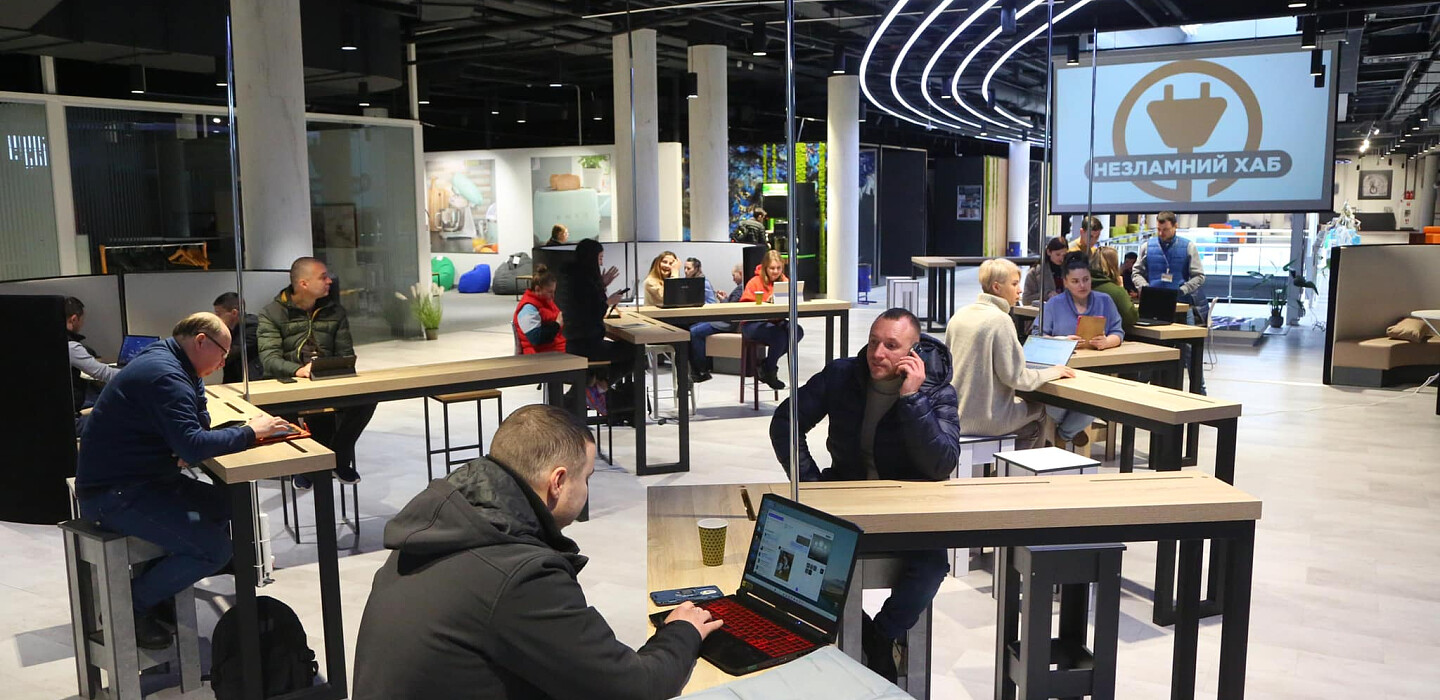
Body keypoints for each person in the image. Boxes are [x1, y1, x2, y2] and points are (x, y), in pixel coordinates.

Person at [353, 404, 721, 699]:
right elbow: (634, 688)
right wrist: (682, 631)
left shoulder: (439, 527)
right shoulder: (520, 576)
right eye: (587, 478)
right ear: (558, 481)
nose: (587, 490)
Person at [76, 313, 290, 650]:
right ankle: (131, 607)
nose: (223, 362)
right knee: (215, 549)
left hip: (145, 479)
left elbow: (197, 420)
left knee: (225, 505)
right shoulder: (164, 375)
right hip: (114, 495)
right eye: (223, 353)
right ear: (201, 341)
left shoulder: (174, 362)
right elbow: (193, 445)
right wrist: (250, 432)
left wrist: (188, 439)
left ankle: (163, 584)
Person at [769, 308, 960, 681]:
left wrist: (912, 399)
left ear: (913, 352)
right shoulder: (843, 375)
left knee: (932, 565)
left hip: (907, 508)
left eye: (891, 345)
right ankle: (864, 633)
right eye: (873, 342)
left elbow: (942, 463)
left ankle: (880, 635)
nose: (877, 353)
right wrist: (811, 483)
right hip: (846, 496)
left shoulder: (936, 390)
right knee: (802, 566)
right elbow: (785, 422)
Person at [257, 257, 376, 486]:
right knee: (300, 413)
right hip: (287, 382)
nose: (329, 281)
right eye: (323, 277)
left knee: (367, 398)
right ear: (303, 283)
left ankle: (337, 458)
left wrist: (331, 368)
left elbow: (345, 354)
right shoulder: (272, 313)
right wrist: (299, 370)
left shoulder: (335, 311)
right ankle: (306, 465)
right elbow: (270, 360)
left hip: (326, 379)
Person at [947, 259, 1075, 451]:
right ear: (996, 287)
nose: (1020, 290)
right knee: (1040, 412)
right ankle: (1021, 469)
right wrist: (1053, 372)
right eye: (1014, 284)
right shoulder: (1000, 320)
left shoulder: (960, 315)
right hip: (987, 419)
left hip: (955, 415)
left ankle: (1006, 465)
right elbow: (1017, 378)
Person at [1040, 254, 1125, 448]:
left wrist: (1107, 342)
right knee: (1052, 402)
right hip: (1061, 371)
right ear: (1066, 282)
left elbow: (1118, 332)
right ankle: (1072, 429)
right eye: (1075, 281)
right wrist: (1062, 341)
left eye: (1086, 279)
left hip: (1095, 370)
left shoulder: (1105, 301)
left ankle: (1064, 435)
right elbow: (1039, 336)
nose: (1082, 285)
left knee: (1097, 398)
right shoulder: (1054, 304)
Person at [1132, 210, 1208, 392]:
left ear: (1175, 227)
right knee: (1149, 350)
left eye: (1165, 229)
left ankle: (1200, 392)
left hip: (1181, 306)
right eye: (1158, 229)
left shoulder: (1188, 247)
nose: (1161, 233)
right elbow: (1136, 272)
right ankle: (1139, 392)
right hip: (1153, 307)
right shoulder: (1147, 246)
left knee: (1190, 351)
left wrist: (1183, 289)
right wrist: (1145, 288)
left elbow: (1199, 276)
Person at [739, 250, 803, 391]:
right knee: (779, 336)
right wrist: (764, 302)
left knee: (797, 331)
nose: (775, 271)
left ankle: (767, 366)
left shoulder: (785, 281)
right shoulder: (754, 282)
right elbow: (744, 305)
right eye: (772, 268)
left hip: (775, 321)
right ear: (765, 268)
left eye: (778, 268)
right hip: (752, 323)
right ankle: (769, 371)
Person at [686, 264, 745, 383]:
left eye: (734, 275)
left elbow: (732, 309)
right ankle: (699, 369)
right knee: (693, 329)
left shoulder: (740, 288)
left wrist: (723, 300)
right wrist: (725, 299)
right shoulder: (741, 288)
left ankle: (701, 369)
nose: (733, 279)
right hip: (725, 321)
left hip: (727, 323)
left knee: (694, 332)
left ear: (740, 273)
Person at [64, 296, 118, 414]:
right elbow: (103, 373)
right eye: (82, 320)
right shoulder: (71, 346)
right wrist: (134, 373)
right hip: (69, 415)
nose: (82, 323)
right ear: (74, 319)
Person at [514, 265, 566, 354]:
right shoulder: (528, 308)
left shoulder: (546, 302)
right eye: (550, 292)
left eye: (554, 292)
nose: (553, 296)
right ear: (538, 289)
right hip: (540, 354)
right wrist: (557, 324)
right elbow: (536, 339)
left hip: (554, 349)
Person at [213, 292, 262, 384]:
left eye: (219, 313)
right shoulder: (228, 327)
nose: (216, 317)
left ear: (234, 313)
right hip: (233, 378)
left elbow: (233, 351)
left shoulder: (252, 326)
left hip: (252, 380)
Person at [1090, 247, 1139, 336]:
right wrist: (1122, 289)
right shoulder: (1116, 292)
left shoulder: (1082, 285)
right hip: (1109, 337)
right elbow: (1130, 318)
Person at [1022, 237, 1068, 307]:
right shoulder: (1035, 272)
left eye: (1064, 255)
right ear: (1049, 252)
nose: (1061, 258)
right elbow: (1026, 300)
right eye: (1058, 254)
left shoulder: (1070, 271)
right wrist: (1047, 295)